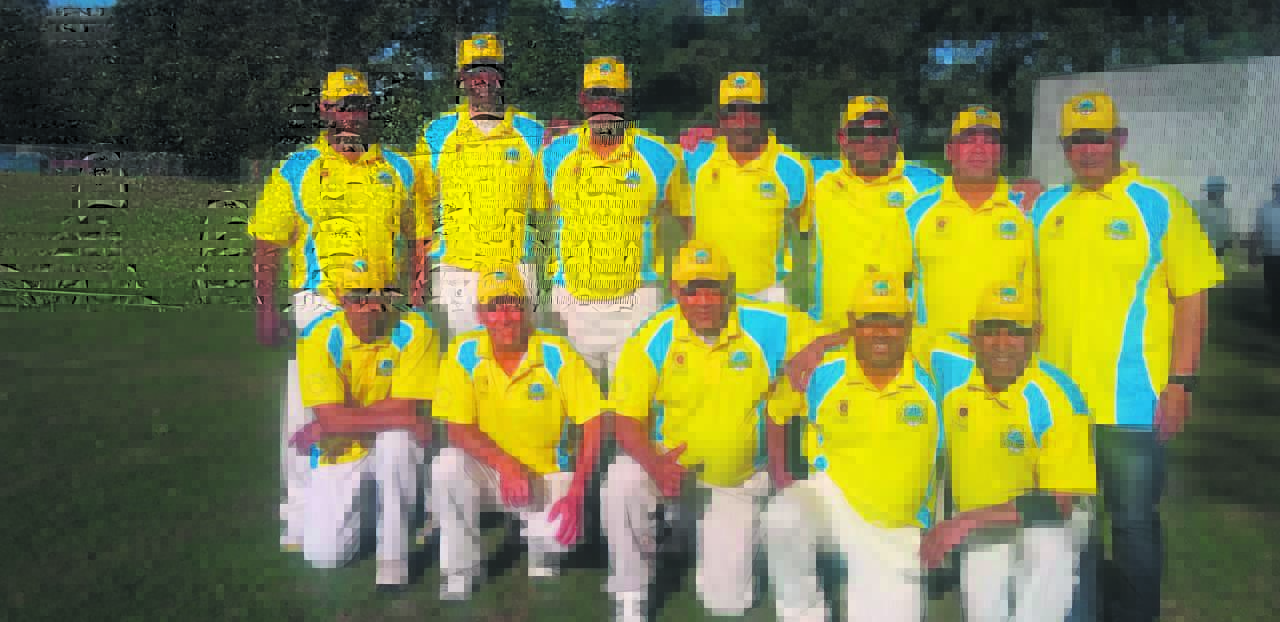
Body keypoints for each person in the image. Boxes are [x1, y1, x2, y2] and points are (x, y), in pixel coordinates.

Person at [1030, 92, 1223, 622]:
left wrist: (1182, 382)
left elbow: (1192, 297)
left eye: (1099, 138)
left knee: (1133, 525)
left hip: (1134, 403)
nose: (1089, 150)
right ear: (1064, 147)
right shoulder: (1046, 208)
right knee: (1070, 523)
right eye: (1077, 141)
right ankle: (1081, 611)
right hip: (1061, 408)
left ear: (1120, 139)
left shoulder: (1158, 202)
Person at [248, 66, 431, 552]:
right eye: (342, 106)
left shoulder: (399, 168)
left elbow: (419, 238)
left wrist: (417, 296)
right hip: (318, 303)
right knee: (305, 412)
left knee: (391, 407)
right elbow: (268, 242)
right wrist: (265, 309)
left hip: (382, 306)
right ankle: (298, 516)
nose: (351, 115)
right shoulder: (297, 168)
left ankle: (395, 511)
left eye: (360, 106)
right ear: (324, 109)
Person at [601, 240, 814, 622]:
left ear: (729, 287)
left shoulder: (768, 323)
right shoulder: (653, 335)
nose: (702, 301)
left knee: (727, 604)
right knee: (620, 482)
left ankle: (701, 531)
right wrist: (655, 464)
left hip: (736, 481)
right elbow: (625, 418)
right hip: (671, 471)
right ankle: (631, 592)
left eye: (712, 288)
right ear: (674, 290)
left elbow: (833, 340)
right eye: (691, 290)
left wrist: (811, 358)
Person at [763, 274, 941, 622]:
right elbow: (777, 411)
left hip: (894, 526)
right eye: (869, 320)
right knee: (783, 515)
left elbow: (992, 347)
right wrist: (780, 474)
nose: (881, 332)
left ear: (908, 324)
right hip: (834, 501)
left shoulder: (935, 367)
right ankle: (803, 614)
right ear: (852, 323)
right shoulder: (823, 371)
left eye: (891, 321)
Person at [920, 283, 1096, 622]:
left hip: (1048, 518)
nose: (1002, 344)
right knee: (983, 612)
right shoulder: (949, 364)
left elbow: (1057, 502)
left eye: (1016, 331)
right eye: (991, 330)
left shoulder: (1057, 397)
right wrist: (819, 346)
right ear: (972, 333)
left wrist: (963, 522)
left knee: (1047, 548)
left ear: (1037, 335)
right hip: (981, 522)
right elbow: (879, 330)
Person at [430, 267, 604, 600]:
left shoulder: (555, 351)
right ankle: (460, 570)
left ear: (526, 309)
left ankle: (539, 549)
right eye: (494, 307)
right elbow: (456, 428)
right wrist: (506, 465)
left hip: (544, 475)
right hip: (492, 472)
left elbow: (593, 420)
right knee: (446, 466)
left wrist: (578, 491)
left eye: (512, 305)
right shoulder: (462, 352)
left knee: (558, 542)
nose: (505, 317)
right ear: (480, 314)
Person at [286, 261, 440, 590]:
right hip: (344, 443)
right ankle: (370, 508)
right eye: (357, 297)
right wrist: (331, 424)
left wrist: (336, 421)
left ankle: (394, 558)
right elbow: (335, 417)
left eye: (375, 296)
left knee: (397, 444)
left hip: (385, 435)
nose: (367, 306)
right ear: (341, 299)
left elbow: (407, 405)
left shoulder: (416, 327)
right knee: (323, 556)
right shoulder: (317, 336)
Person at [538, 56, 690, 385]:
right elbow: (536, 214)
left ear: (627, 100)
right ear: (583, 99)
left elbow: (688, 225)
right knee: (578, 402)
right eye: (597, 95)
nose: (604, 105)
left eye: (614, 95)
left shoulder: (660, 155)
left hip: (638, 298)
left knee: (636, 399)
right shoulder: (553, 154)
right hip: (571, 298)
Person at [786, 95, 943, 389]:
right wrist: (704, 143)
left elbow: (975, 191)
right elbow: (763, 162)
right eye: (859, 132)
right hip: (830, 340)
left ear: (895, 136)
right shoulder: (817, 179)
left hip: (902, 343)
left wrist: (1025, 191)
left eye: (880, 130)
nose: (870, 140)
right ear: (842, 139)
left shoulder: (926, 185)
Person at [418, 33, 545, 338]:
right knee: (461, 353)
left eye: (491, 70)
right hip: (456, 268)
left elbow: (548, 206)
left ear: (502, 77)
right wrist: (419, 266)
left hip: (517, 265)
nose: (483, 79)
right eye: (473, 71)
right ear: (461, 79)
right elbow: (421, 202)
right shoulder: (438, 132)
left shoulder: (533, 132)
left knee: (523, 352)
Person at [902, 105, 1036, 363]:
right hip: (932, 363)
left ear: (1001, 152)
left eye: (989, 140)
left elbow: (1041, 292)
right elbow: (891, 287)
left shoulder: (1027, 211)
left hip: (1004, 365)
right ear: (949, 151)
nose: (979, 148)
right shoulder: (917, 213)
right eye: (968, 139)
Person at [678, 71, 812, 303]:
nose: (742, 123)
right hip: (707, 294)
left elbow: (808, 232)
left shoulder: (793, 168)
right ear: (720, 117)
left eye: (751, 111)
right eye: (732, 113)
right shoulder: (695, 157)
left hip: (769, 292)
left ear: (764, 114)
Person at [1251, 179, 1280, 326]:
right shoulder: (1265, 208)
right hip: (1270, 255)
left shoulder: (1265, 208)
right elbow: (1257, 233)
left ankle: (1275, 319)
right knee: (1273, 289)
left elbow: (1257, 233)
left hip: (1270, 255)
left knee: (1274, 289)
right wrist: (1252, 254)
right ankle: (1275, 319)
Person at [1192, 175, 1231, 258]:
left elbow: (1225, 236)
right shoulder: (1196, 207)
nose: (1221, 193)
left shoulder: (1224, 211)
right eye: (1217, 191)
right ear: (1209, 191)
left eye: (1221, 191)